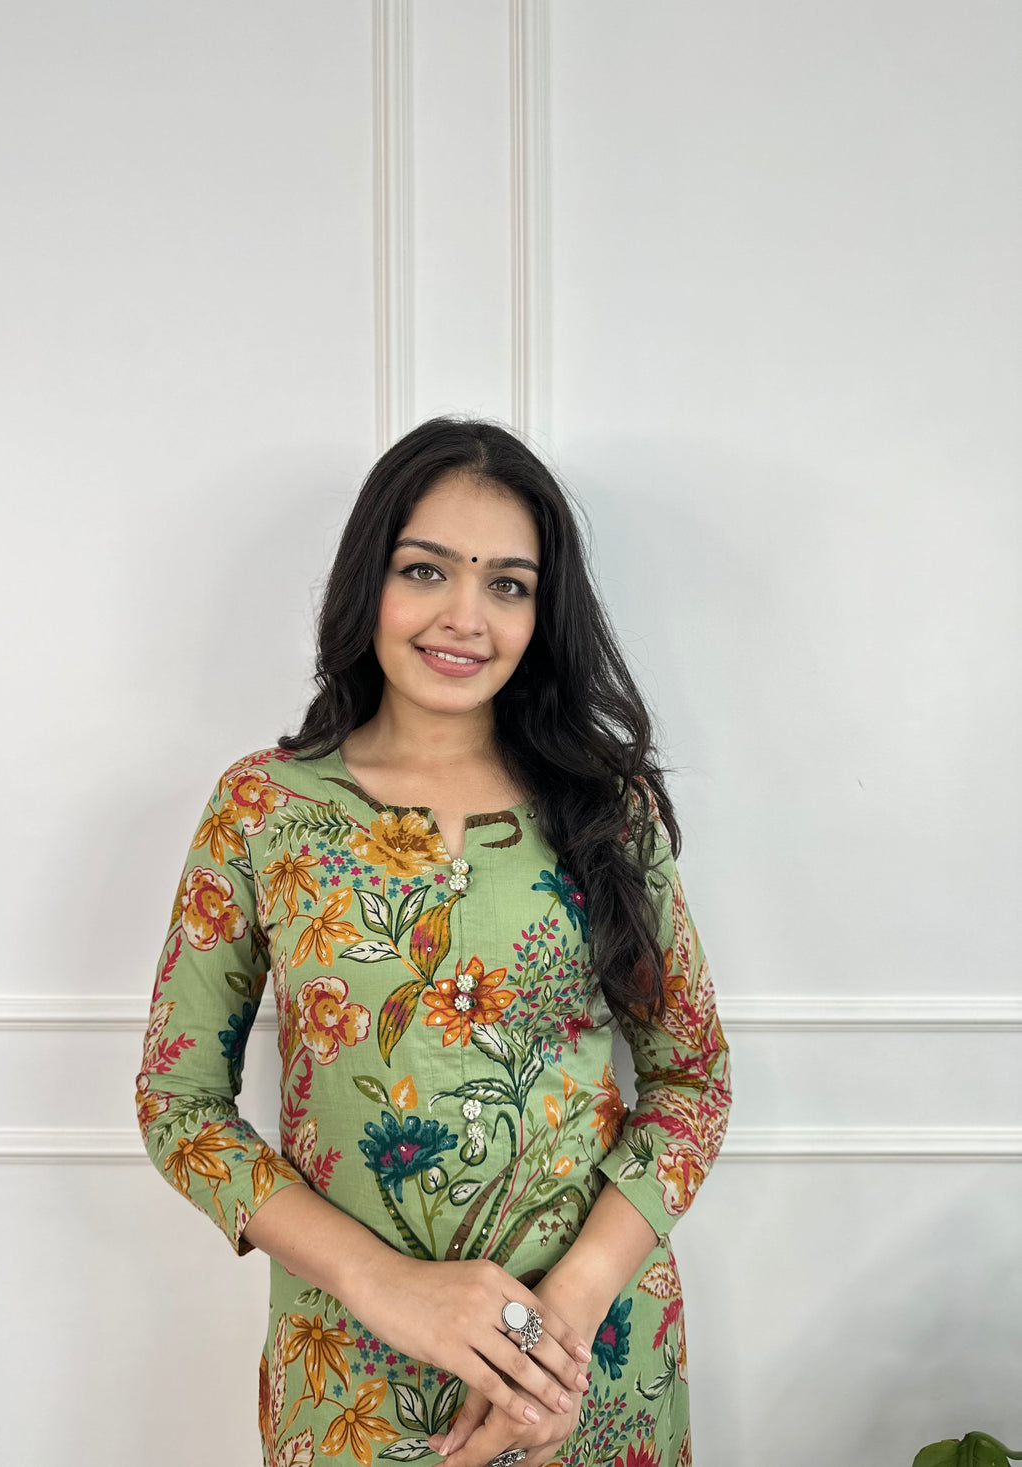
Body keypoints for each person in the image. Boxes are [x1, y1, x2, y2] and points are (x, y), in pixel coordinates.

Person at [135, 417, 732, 1467]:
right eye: (425, 570)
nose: (466, 617)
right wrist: (387, 1286)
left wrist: (560, 1321)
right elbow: (178, 1105)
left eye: (508, 584)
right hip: (351, 1371)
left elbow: (692, 1080)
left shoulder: (606, 808)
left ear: (542, 611)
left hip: (589, 1365)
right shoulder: (263, 810)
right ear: (367, 579)